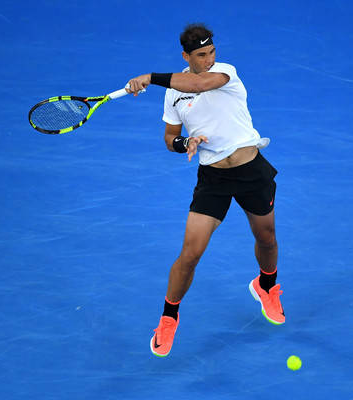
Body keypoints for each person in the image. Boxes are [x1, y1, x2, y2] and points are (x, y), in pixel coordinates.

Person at [126, 23, 285, 357]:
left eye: (212, 51)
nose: (209, 59)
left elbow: (199, 83)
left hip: (250, 171)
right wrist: (186, 141)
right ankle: (169, 318)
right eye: (201, 55)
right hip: (212, 179)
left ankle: (266, 287)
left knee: (267, 238)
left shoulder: (225, 72)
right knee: (190, 254)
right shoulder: (174, 93)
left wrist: (150, 77)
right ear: (186, 56)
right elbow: (169, 138)